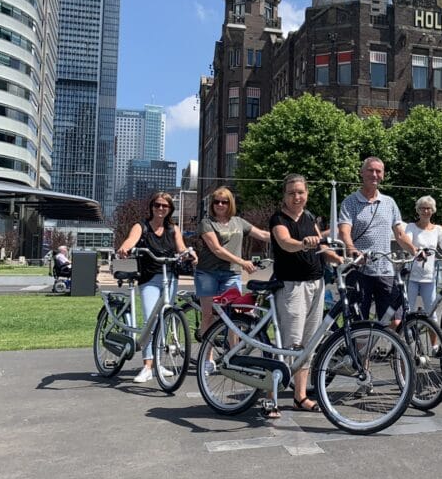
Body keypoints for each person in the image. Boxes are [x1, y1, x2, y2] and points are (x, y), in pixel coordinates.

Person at [269, 174, 340, 415]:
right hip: (291, 286)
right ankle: (271, 396)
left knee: (309, 343)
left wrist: (341, 258)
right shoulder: (279, 218)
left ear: (306, 193)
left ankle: (299, 396)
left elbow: (321, 246)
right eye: (291, 193)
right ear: (284, 196)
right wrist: (303, 243)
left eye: (300, 192)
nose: (297, 197)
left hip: (315, 284)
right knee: (291, 343)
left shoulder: (309, 217)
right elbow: (285, 242)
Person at [117, 192, 196, 383]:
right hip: (150, 278)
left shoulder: (173, 229)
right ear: (152, 207)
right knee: (151, 320)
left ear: (170, 209)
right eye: (157, 205)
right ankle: (147, 366)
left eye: (165, 206)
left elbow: (181, 248)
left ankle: (158, 362)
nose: (161, 209)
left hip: (170, 277)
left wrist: (189, 254)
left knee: (165, 319)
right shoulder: (141, 226)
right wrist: (125, 248)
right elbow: (131, 240)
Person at [338, 157, 417, 322]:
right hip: (360, 269)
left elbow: (400, 235)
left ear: (383, 175)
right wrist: (352, 249)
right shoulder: (350, 202)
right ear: (362, 173)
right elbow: (344, 231)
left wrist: (415, 251)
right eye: (370, 170)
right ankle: (360, 348)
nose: (374, 174)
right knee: (359, 321)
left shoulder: (389, 203)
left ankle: (385, 347)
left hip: (385, 270)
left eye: (378, 171)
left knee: (395, 319)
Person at [195, 186, 272, 331]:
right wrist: (242, 262)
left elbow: (262, 235)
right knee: (208, 315)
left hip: (231, 274)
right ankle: (206, 353)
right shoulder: (207, 223)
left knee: (233, 316)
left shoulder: (238, 222)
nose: (220, 205)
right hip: (207, 273)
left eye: (224, 202)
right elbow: (217, 249)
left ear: (230, 204)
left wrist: (286, 239)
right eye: (216, 202)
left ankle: (232, 352)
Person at [405, 195, 442, 319]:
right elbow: (408, 243)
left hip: (429, 278)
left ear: (433, 210)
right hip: (411, 276)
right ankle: (406, 337)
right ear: (418, 210)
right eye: (422, 208)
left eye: (428, 208)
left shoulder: (438, 229)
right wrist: (416, 251)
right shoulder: (411, 227)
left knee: (432, 315)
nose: (425, 211)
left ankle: (434, 338)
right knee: (407, 312)